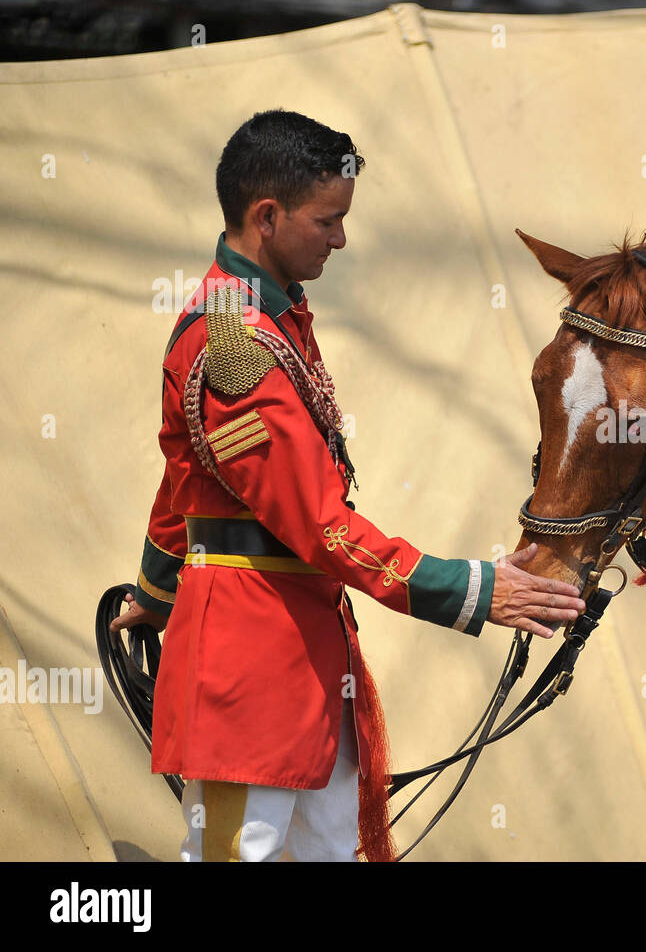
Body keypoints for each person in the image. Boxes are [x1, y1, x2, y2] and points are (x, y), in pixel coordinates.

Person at [110, 109, 584, 862]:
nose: (341, 239)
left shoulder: (265, 315)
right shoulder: (235, 347)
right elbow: (319, 523)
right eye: (328, 221)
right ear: (267, 216)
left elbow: (184, 482)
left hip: (299, 666)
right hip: (249, 676)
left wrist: (155, 589)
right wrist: (472, 587)